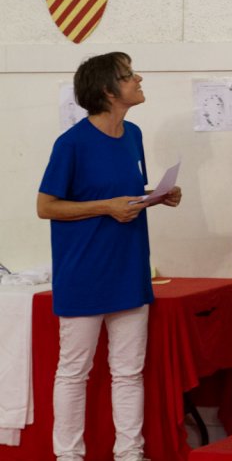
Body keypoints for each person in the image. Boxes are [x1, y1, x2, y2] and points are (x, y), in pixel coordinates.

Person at [37, 52, 182, 461]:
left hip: (129, 269)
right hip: (83, 272)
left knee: (129, 371)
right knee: (74, 372)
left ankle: (129, 453)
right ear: (107, 91)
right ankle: (68, 455)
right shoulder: (71, 144)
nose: (139, 78)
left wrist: (156, 197)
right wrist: (106, 207)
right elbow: (46, 206)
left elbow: (124, 197)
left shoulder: (133, 134)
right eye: (128, 75)